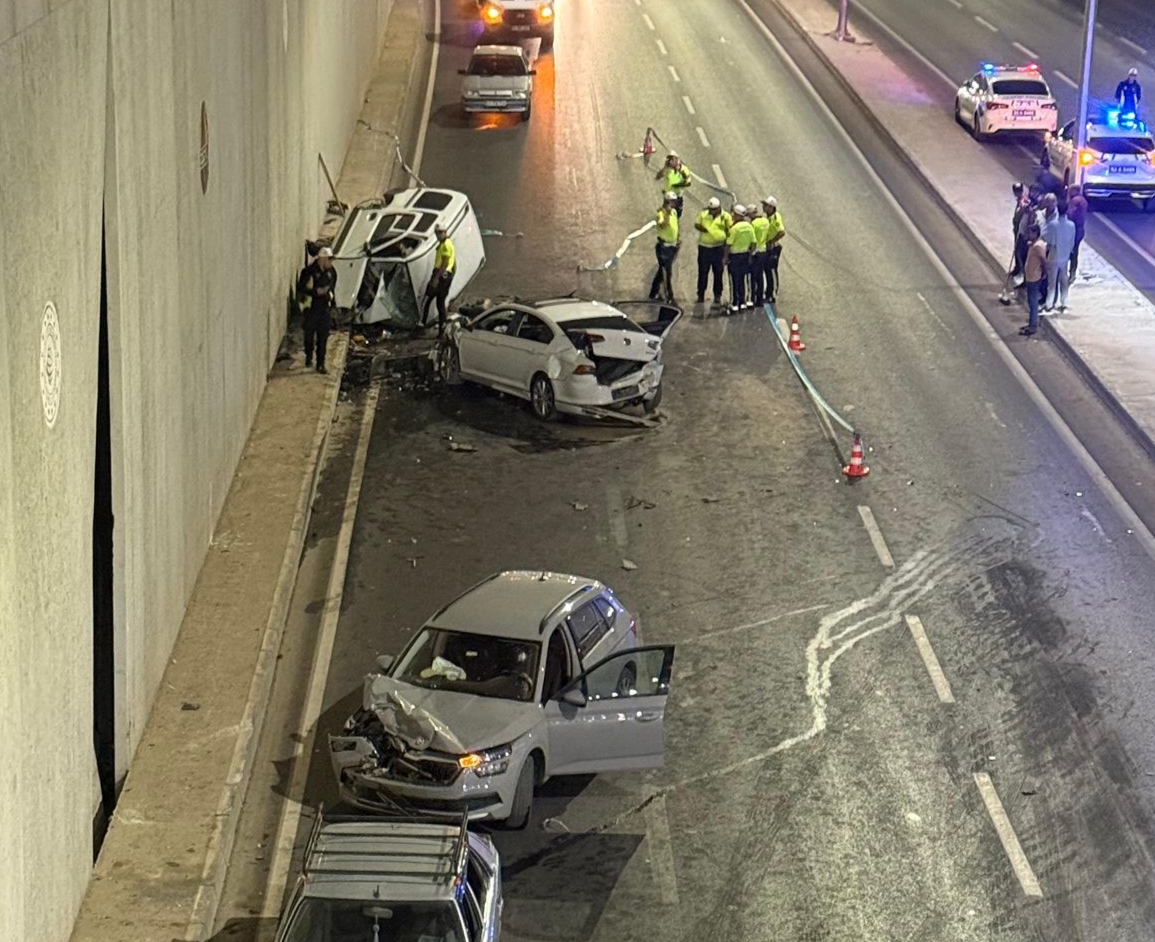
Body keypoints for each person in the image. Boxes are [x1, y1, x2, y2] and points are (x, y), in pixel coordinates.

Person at [297, 245, 338, 373]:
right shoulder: (309, 272)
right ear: (322, 259)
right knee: (309, 335)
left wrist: (333, 304)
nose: (331, 263)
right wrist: (316, 292)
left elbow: (332, 289)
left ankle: (320, 363)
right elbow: (302, 288)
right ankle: (309, 356)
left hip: (324, 308)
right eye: (329, 260)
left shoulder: (332, 272)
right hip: (311, 308)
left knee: (323, 337)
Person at [694, 197, 731, 304]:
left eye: (714, 209)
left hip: (718, 248)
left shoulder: (725, 216)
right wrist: (703, 229)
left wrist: (727, 246)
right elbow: (697, 224)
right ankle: (701, 294)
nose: (712, 211)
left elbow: (729, 230)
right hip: (704, 248)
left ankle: (717, 295)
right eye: (710, 209)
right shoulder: (703, 214)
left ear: (719, 208)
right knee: (703, 272)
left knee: (718, 272)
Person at [999, 183, 1031, 305]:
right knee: (1017, 251)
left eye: (1018, 191)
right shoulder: (1020, 200)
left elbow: (1020, 216)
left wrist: (1022, 211)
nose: (1017, 193)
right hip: (1017, 230)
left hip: (1021, 232)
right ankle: (1017, 268)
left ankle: (1021, 272)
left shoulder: (1024, 202)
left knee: (1019, 252)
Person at [423, 224, 456, 333]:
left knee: (430, 300)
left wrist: (436, 278)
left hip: (441, 275)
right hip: (444, 275)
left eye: (440, 233)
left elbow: (445, 262)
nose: (438, 235)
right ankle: (442, 328)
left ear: (444, 232)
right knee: (439, 302)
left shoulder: (446, 244)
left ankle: (424, 324)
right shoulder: (445, 243)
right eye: (437, 233)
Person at [723, 204, 756, 313]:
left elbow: (728, 244)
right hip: (745, 255)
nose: (732, 216)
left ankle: (734, 303)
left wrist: (725, 257)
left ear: (738, 215)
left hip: (734, 257)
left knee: (734, 280)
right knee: (743, 279)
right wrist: (750, 255)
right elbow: (753, 243)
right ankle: (742, 302)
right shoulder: (749, 227)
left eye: (734, 214)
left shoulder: (735, 228)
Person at [649, 192, 681, 302]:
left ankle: (653, 292)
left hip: (672, 246)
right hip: (664, 248)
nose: (675, 204)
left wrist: (678, 238)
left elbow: (675, 225)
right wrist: (667, 213)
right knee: (667, 273)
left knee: (662, 272)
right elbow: (663, 225)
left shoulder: (674, 212)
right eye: (673, 202)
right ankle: (669, 297)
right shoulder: (661, 214)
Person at [1044, 206, 1076, 313]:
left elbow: (1048, 238)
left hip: (1054, 255)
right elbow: (1072, 242)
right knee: (1064, 281)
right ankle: (1064, 302)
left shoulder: (1053, 224)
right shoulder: (1071, 225)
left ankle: (1049, 304)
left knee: (1052, 283)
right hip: (1065, 256)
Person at [1020, 225, 1046, 336]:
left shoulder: (1038, 246)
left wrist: (1044, 272)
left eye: (1031, 233)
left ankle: (1032, 326)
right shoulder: (1033, 244)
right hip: (1030, 276)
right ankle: (1032, 322)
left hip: (1034, 278)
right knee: (1031, 301)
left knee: (1033, 302)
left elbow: (1043, 261)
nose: (1029, 235)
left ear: (1036, 233)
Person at [761, 197, 786, 303]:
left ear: (771, 207)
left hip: (774, 247)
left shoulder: (775, 218)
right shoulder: (768, 217)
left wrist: (771, 241)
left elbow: (781, 232)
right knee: (767, 269)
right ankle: (768, 292)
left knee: (771, 270)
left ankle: (773, 293)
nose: (763, 207)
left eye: (765, 205)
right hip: (768, 247)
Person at [655, 152, 692, 217]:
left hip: (677, 196)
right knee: (666, 214)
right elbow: (657, 177)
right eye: (669, 159)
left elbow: (688, 183)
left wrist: (678, 185)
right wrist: (664, 168)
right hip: (668, 196)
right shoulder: (667, 169)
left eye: (672, 159)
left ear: (677, 160)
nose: (670, 161)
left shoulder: (683, 169)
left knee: (677, 214)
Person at [1067, 184, 1088, 280]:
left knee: (1072, 251)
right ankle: (1073, 272)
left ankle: (1071, 272)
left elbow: (1070, 214)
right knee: (1075, 252)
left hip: (1074, 230)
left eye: (1070, 191)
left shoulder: (1075, 201)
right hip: (1080, 229)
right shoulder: (1083, 200)